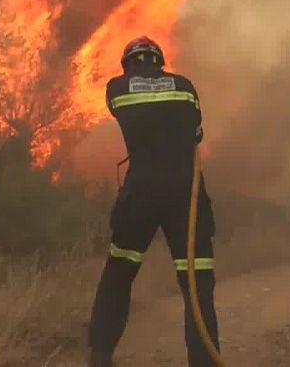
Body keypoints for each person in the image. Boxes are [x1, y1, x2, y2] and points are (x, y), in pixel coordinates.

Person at [87, 36, 220, 367]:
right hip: (185, 192)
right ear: (160, 61)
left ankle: (101, 355)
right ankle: (205, 361)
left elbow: (122, 113)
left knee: (119, 272)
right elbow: (196, 128)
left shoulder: (118, 89)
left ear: (129, 64)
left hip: (142, 191)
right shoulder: (185, 87)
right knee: (196, 281)